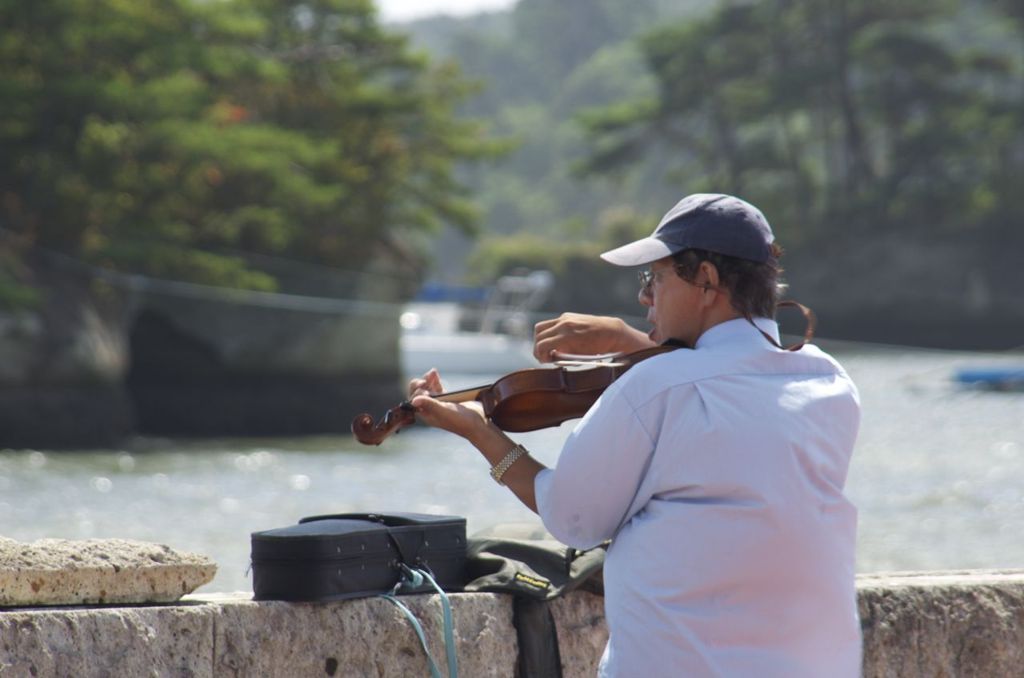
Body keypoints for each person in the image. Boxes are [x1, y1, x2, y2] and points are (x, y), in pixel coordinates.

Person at [408, 193, 861, 677]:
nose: (645, 297)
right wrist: (633, 342)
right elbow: (728, 383)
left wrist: (481, 433)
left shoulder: (655, 388)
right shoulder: (828, 382)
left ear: (706, 280)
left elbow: (572, 516)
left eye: (655, 278)